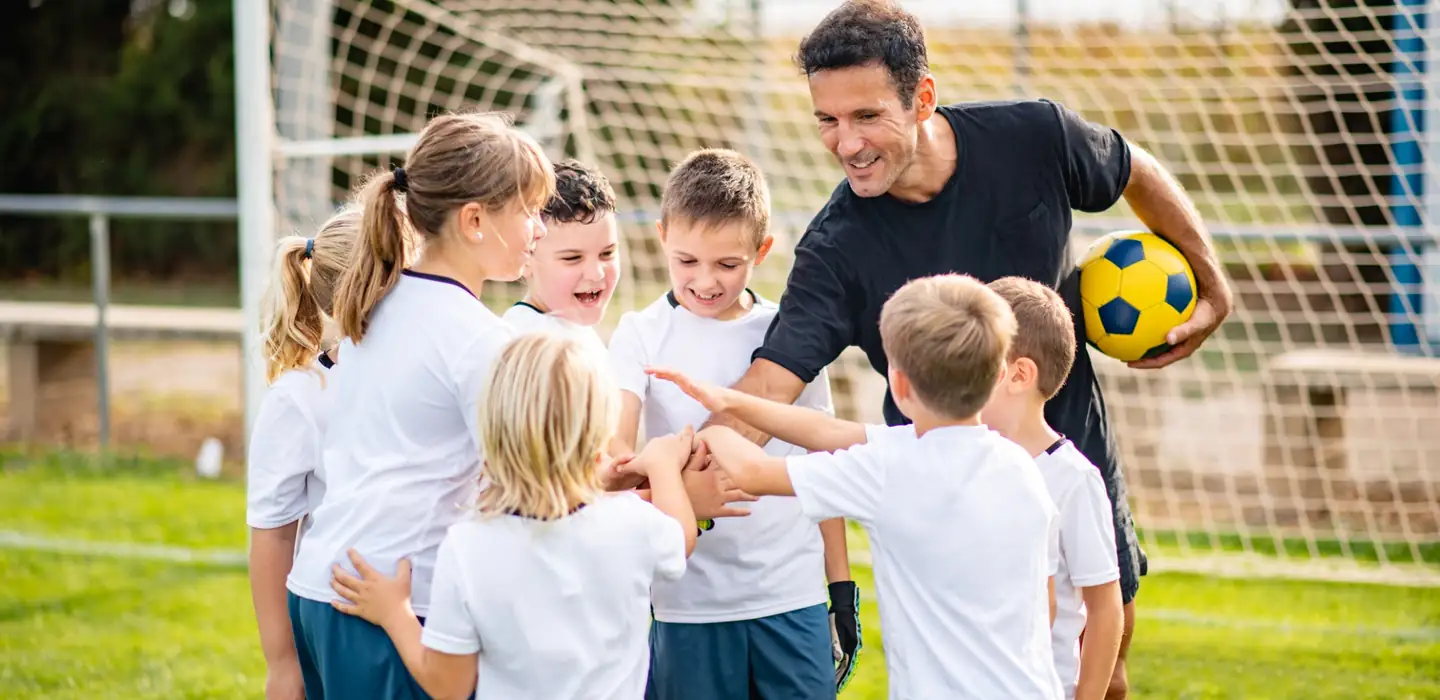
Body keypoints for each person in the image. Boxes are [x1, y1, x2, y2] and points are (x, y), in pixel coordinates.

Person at [706, 4, 1235, 695]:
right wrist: (667, 460)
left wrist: (1212, 283)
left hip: (1062, 446)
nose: (846, 143)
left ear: (923, 97)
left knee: (1102, 665)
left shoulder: (1033, 138)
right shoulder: (837, 249)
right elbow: (770, 383)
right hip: (945, 500)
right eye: (827, 121)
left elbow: (1135, 170)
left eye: (866, 116)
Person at [654, 273, 1063, 700]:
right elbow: (823, 430)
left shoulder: (887, 469)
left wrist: (703, 438)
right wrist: (732, 401)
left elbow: (754, 473)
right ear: (999, 374)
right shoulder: (1022, 467)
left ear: (899, 385)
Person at [284, 110, 554, 699]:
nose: (539, 229)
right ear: (476, 220)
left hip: (321, 588)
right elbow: (526, 492)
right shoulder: (478, 340)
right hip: (390, 603)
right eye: (529, 211)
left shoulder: (373, 304)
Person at [605, 148, 857, 699]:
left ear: (762, 250)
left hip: (791, 596)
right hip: (687, 602)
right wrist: (679, 493)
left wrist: (839, 587)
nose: (705, 281)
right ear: (662, 234)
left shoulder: (787, 338)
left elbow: (825, 465)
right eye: (686, 260)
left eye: (727, 264)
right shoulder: (639, 335)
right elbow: (617, 461)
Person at [326, 332, 701, 700]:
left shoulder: (469, 545)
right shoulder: (631, 522)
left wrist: (395, 613)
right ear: (599, 435)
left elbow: (449, 687)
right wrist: (663, 465)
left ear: (492, 427)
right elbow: (681, 538)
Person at [981, 277, 1124, 700]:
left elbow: (1104, 608)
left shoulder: (1073, 479)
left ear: (1019, 374)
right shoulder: (961, 457)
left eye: (972, 361)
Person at [246, 205, 360, 700]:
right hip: (340, 617)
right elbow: (271, 536)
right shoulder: (300, 397)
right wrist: (282, 663)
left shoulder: (425, 375)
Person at [502, 158, 619, 358]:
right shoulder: (532, 346)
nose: (596, 273)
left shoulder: (571, 330)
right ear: (526, 258)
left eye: (607, 254)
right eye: (573, 258)